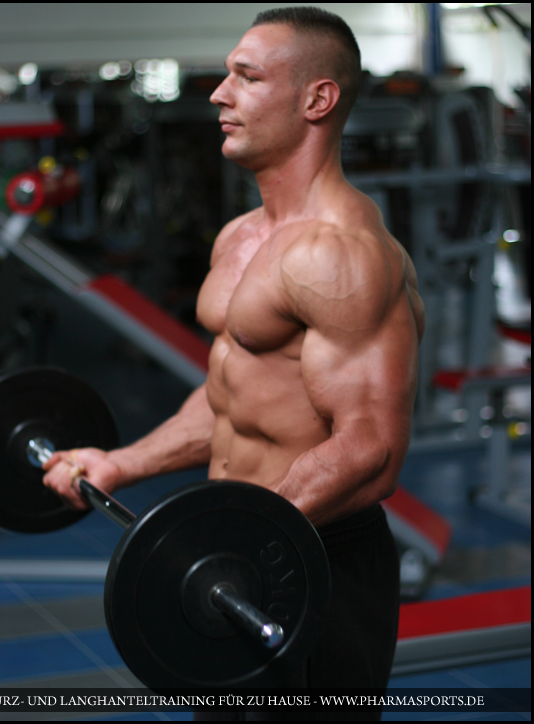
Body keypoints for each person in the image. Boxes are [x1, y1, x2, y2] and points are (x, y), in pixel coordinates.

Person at [43, 6, 424, 719]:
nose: (219, 94)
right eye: (226, 75)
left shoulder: (342, 254)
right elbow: (229, 401)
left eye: (246, 77)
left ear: (317, 99)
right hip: (245, 547)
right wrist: (122, 464)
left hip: (313, 558)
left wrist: (239, 534)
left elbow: (372, 448)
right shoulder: (241, 238)